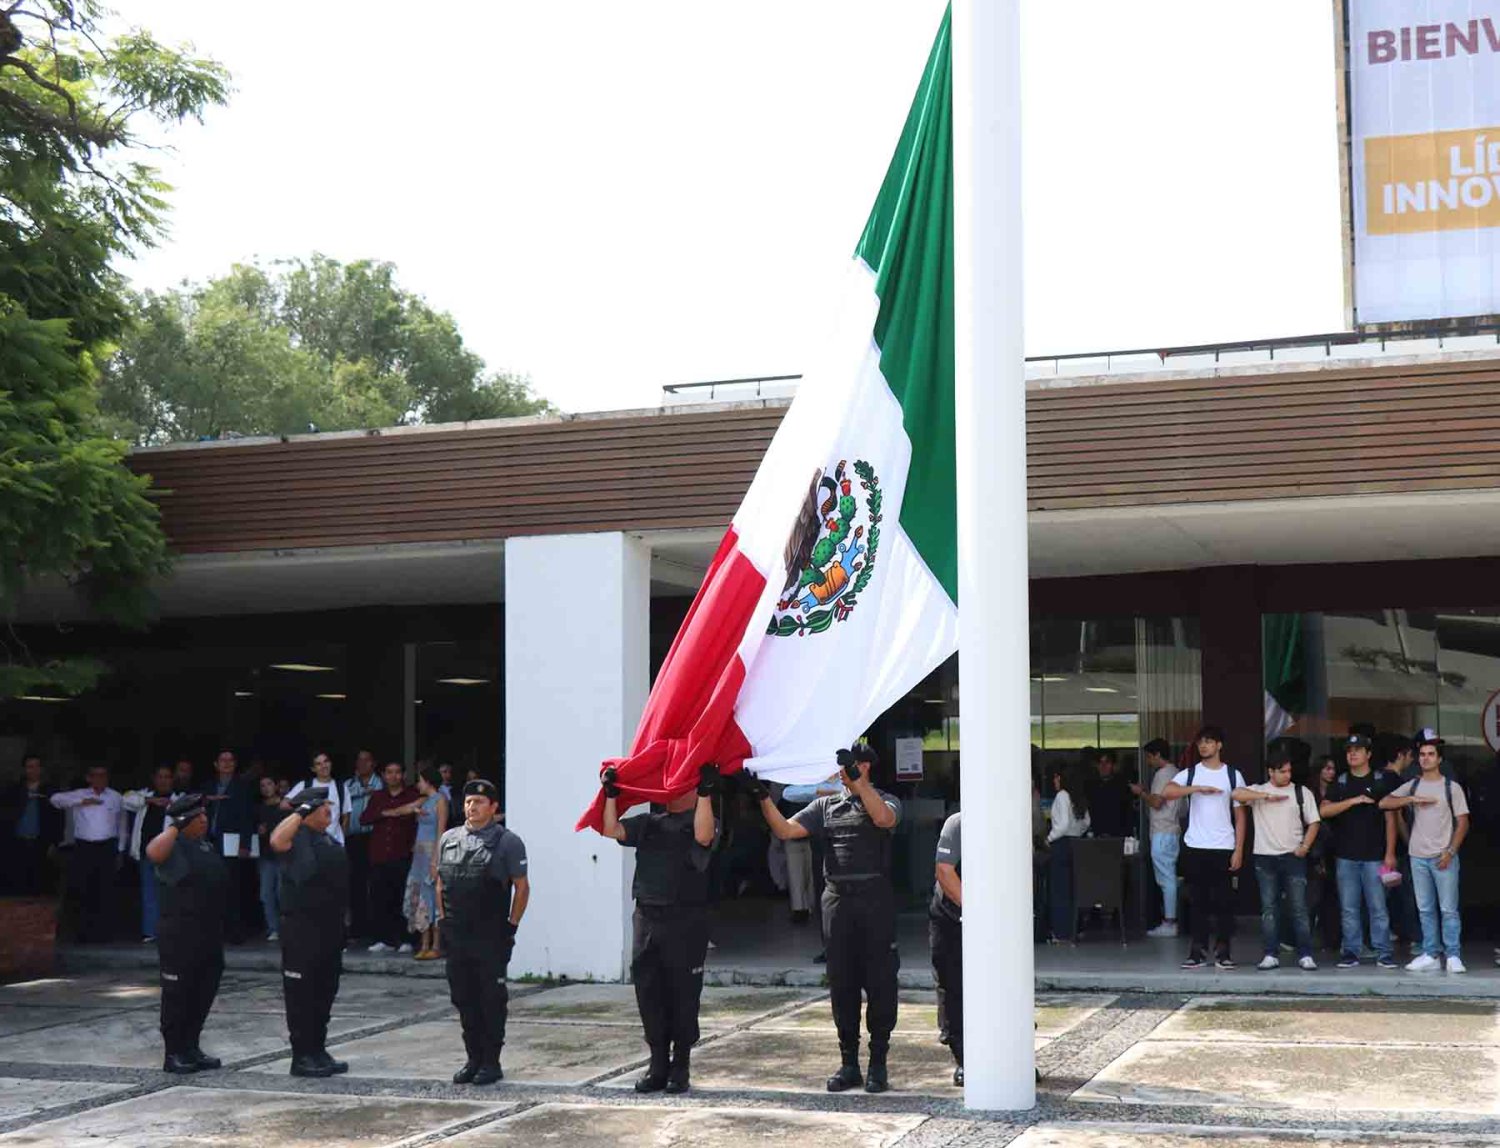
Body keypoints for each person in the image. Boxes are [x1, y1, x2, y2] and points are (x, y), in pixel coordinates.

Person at [750, 745, 901, 1094]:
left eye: (855, 764)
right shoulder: (825, 806)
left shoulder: (886, 799)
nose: (846, 770)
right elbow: (786, 831)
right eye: (845, 765)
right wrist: (763, 797)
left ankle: (878, 1064)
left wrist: (859, 783)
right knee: (842, 984)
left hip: (874, 901)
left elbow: (884, 819)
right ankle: (849, 1064)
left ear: (866, 766)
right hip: (838, 902)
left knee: (880, 984)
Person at [600, 762, 717, 1094]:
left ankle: (681, 1066)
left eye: (681, 783)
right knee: (649, 992)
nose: (673, 789)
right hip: (647, 917)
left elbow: (704, 836)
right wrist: (611, 794)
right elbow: (611, 829)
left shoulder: (700, 820)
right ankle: (657, 1065)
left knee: (683, 993)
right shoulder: (649, 823)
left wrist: (705, 793)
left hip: (685, 919)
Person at [436, 777, 530, 1086]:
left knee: (491, 998)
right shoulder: (449, 838)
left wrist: (511, 927)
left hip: (490, 935)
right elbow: (440, 883)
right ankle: (473, 1058)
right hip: (457, 934)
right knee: (463, 997)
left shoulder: (507, 842)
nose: (471, 807)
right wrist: (443, 920)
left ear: (493, 807)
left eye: (478, 802)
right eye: (468, 802)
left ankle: (491, 1061)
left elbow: (522, 888)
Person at [270, 786, 350, 1078]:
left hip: (329, 926)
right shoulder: (294, 836)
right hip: (301, 928)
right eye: (322, 805)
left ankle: (317, 1049)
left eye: (329, 804)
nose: (329, 810)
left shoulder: (327, 838)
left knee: (324, 991)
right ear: (307, 811)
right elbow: (276, 840)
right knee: (302, 994)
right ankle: (302, 1055)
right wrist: (300, 812)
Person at [146, 793, 228, 1074]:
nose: (204, 820)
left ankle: (191, 1046)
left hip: (208, 930)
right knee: (178, 993)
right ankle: (174, 1052)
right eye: (197, 816)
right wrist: (174, 826)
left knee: (204, 989)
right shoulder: (171, 844)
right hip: (180, 931)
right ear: (184, 820)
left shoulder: (204, 846)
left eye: (205, 814)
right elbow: (152, 852)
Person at [1382, 734, 1470, 973]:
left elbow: (1463, 822)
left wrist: (1451, 851)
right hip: (1418, 855)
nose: (1425, 758)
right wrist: (1410, 799)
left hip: (1444, 855)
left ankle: (1453, 954)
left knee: (1448, 909)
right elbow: (1384, 803)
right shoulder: (1412, 785)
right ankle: (1431, 953)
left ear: (1439, 759)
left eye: (1431, 754)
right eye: (1422, 754)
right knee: (1425, 908)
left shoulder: (1452, 788)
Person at [1161, 726, 1247, 970]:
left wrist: (1239, 849)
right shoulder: (1190, 773)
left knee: (1224, 903)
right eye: (1201, 742)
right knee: (1197, 902)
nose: (1204, 746)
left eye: (1209, 741)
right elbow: (1167, 792)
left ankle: (1223, 952)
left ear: (1219, 745)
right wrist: (1196, 788)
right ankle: (1196, 952)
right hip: (1195, 845)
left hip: (1224, 846)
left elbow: (1240, 816)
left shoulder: (1233, 775)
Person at [1233, 748, 1321, 970]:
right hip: (1265, 857)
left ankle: (1305, 954)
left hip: (1293, 857)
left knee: (1299, 908)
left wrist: (1305, 847)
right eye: (1282, 771)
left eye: (1289, 771)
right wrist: (1265, 797)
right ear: (1270, 772)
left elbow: (1314, 822)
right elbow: (1236, 794)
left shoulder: (1301, 792)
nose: (1287, 775)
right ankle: (1270, 954)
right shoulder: (1259, 791)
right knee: (1269, 909)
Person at [1319, 732, 1399, 970]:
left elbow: (1391, 820)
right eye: (1349, 750)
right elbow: (1323, 811)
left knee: (1378, 907)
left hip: (1376, 856)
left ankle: (1384, 952)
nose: (1352, 754)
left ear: (1368, 754)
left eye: (1358, 750)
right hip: (1346, 856)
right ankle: (1351, 952)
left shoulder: (1381, 780)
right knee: (1349, 908)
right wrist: (1352, 801)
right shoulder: (1341, 782)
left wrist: (1390, 853)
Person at [49, 765, 124, 943]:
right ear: (89, 778)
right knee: (83, 889)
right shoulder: (80, 794)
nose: (100, 779)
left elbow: (122, 824)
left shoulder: (115, 797)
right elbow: (54, 800)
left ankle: (104, 934)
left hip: (107, 847)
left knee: (105, 890)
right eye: (96, 776)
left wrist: (121, 850)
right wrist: (81, 801)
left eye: (103, 775)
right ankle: (83, 933)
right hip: (84, 847)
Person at [360, 762, 421, 953]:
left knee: (404, 898)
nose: (393, 776)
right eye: (389, 772)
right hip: (379, 855)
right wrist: (385, 813)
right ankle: (383, 939)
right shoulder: (378, 796)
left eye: (397, 772)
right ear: (383, 775)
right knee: (380, 898)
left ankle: (406, 939)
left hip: (403, 854)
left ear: (403, 775)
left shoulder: (412, 796)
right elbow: (364, 818)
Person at [200, 750, 255, 942]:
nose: (226, 763)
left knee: (232, 887)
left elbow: (248, 817)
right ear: (216, 764)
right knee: (209, 887)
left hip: (232, 842)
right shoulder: (208, 786)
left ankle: (234, 932)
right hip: (209, 841)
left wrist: (245, 844)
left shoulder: (243, 787)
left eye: (230, 760)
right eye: (222, 760)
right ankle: (212, 931)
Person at [123, 765, 179, 942]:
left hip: (169, 854)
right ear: (154, 779)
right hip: (146, 853)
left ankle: (170, 932)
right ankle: (150, 931)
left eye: (167, 777)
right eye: (160, 777)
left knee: (170, 894)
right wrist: (150, 801)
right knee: (149, 894)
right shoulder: (144, 796)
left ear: (172, 780)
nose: (163, 780)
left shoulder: (179, 798)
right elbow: (125, 799)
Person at [1132, 738, 1181, 938]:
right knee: (1170, 876)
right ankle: (1171, 919)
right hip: (1173, 830)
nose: (1148, 761)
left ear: (1158, 755)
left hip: (1162, 831)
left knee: (1166, 878)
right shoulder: (1177, 773)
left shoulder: (1162, 775)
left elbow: (1157, 802)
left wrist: (1141, 792)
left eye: (1149, 757)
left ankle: (1170, 922)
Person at [1377, 734, 1420, 949]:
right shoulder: (1394, 781)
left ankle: (1384, 937)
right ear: (1401, 755)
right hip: (1396, 851)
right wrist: (1409, 843)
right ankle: (1415, 938)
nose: (1412, 760)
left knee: (1383, 897)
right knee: (1405, 895)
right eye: (1411, 756)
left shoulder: (1377, 779)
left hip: (1381, 848)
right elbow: (1397, 817)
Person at [929, 810, 963, 1086]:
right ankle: (963, 1057)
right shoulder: (958, 823)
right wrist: (975, 909)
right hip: (951, 915)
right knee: (952, 985)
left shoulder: (1010, 820)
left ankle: (1014, 1053)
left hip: (997, 920)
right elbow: (944, 870)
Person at [404, 766, 449, 960]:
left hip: (432, 852)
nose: (418, 784)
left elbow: (441, 831)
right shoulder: (424, 801)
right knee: (421, 896)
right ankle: (424, 944)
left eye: (420, 780)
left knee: (433, 896)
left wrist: (435, 860)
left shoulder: (440, 801)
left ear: (428, 781)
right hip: (420, 854)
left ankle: (436, 945)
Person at [2, 753, 61, 895]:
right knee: (17, 884)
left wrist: (55, 842)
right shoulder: (14, 790)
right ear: (24, 769)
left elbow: (58, 818)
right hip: (17, 842)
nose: (33, 770)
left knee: (39, 885)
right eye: (30, 767)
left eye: (36, 767)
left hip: (41, 843)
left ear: (41, 769)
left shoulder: (50, 791)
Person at [1045, 763, 1092, 944]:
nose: (1054, 780)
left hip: (1061, 845)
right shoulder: (1077, 796)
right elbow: (1087, 822)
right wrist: (1077, 831)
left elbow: (1063, 824)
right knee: (1073, 889)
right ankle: (1075, 929)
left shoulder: (1062, 796)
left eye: (1056, 777)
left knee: (1060, 890)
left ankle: (1061, 932)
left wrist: (1049, 838)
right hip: (1077, 844)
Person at [342, 749, 380, 944]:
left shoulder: (381, 783)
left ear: (373, 763)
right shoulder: (348, 785)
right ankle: (357, 928)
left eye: (367, 760)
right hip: (353, 839)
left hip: (375, 838)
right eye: (359, 760)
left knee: (375, 883)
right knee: (355, 883)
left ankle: (375, 929)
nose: (362, 763)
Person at [286, 752, 344, 846]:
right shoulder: (304, 785)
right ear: (313, 769)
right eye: (318, 764)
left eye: (326, 761)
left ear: (330, 763)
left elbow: (346, 818)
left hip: (336, 844)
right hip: (311, 844)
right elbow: (284, 805)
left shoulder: (341, 787)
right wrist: (313, 802)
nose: (323, 766)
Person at [254, 776, 285, 941]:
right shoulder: (259, 809)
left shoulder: (285, 806)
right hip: (266, 855)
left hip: (283, 855)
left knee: (282, 892)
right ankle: (273, 928)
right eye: (262, 785)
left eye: (269, 784)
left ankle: (286, 927)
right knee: (266, 893)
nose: (266, 788)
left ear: (276, 785)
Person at [1088, 749, 1132, 838]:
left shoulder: (1122, 785)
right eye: (1100, 762)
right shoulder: (1090, 786)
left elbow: (1127, 814)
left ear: (1113, 765)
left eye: (1107, 762)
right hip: (1096, 835)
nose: (1103, 766)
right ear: (1096, 765)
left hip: (1118, 835)